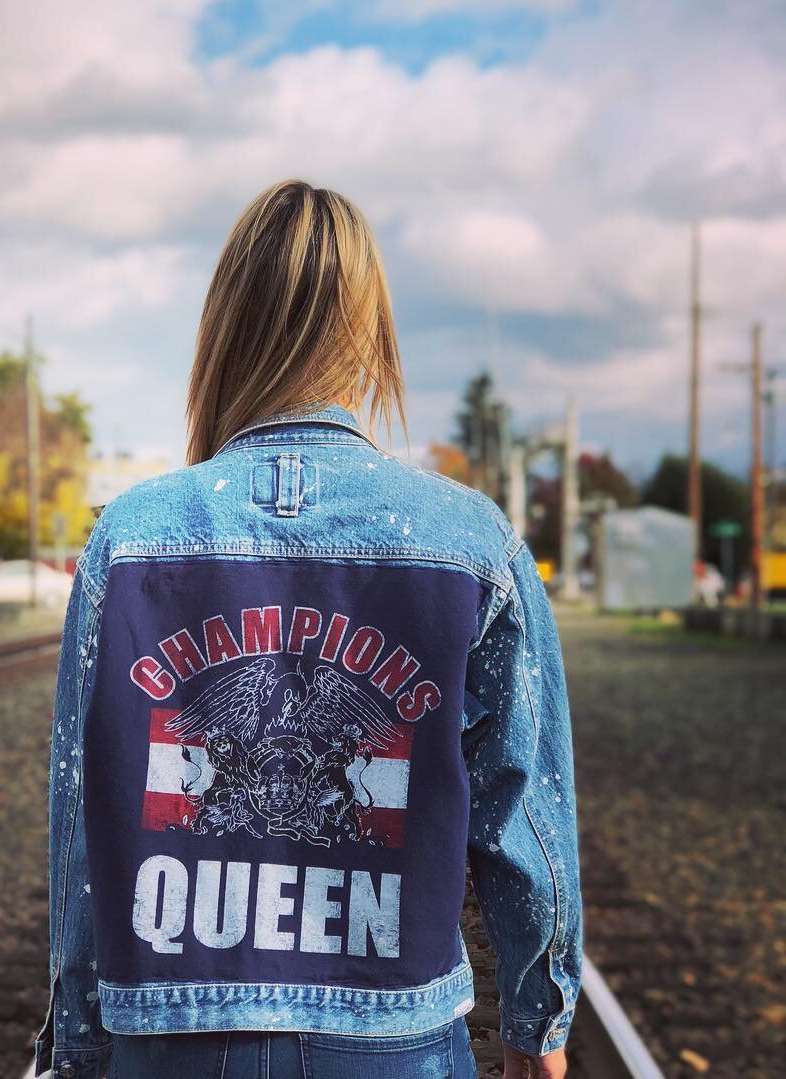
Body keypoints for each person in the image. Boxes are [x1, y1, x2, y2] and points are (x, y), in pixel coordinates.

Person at [35, 179, 582, 1079]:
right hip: (390, 1029)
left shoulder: (129, 537)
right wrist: (538, 1018)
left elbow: (85, 812)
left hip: (169, 1030)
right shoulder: (470, 540)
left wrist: (83, 1040)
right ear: (371, 335)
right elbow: (521, 809)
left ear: (225, 329)